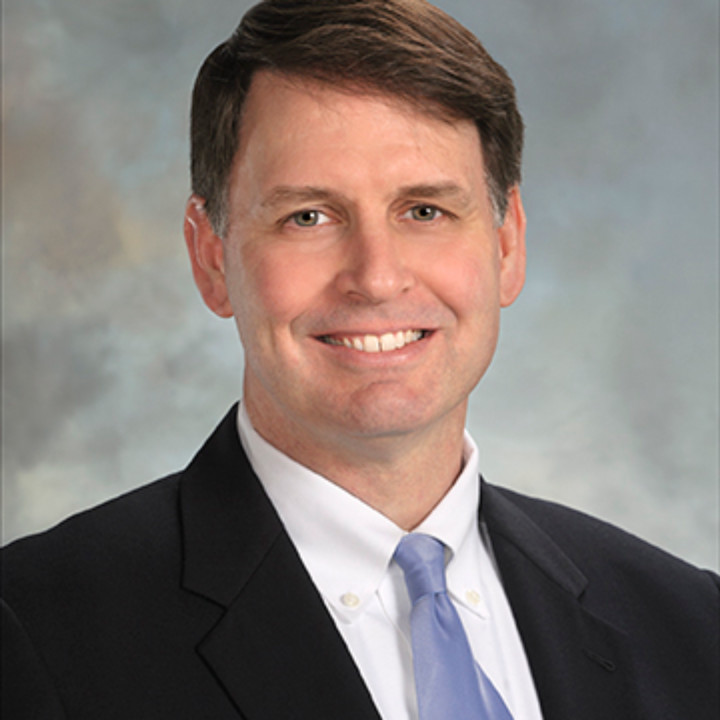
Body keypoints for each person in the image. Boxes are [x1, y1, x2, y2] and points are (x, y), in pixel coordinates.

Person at [2, 1, 717, 718]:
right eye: (308, 216)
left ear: (507, 246)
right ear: (211, 258)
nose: (376, 277)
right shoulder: (35, 632)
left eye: (425, 211)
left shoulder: (692, 627)